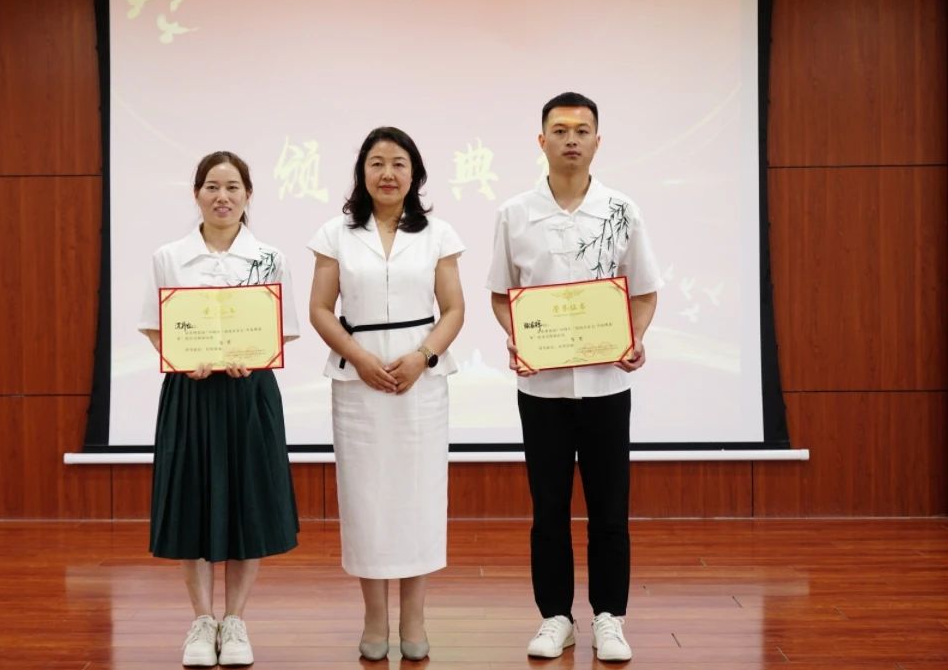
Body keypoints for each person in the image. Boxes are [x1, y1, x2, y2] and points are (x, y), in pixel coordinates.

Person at [486, 93, 662, 662]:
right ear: (541, 141)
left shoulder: (622, 210)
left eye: (582, 130)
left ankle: (610, 617)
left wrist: (634, 338)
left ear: (597, 141)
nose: (571, 139)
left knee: (610, 509)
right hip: (542, 389)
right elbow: (500, 294)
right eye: (559, 130)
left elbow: (644, 290)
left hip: (607, 386)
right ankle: (555, 617)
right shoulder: (514, 213)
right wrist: (517, 335)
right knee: (549, 509)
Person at [307, 127, 465, 662]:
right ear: (362, 173)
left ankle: (414, 619)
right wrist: (359, 357)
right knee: (366, 501)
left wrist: (423, 357)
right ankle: (374, 618)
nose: (388, 173)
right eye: (376, 163)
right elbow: (321, 309)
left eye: (399, 163)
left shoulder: (439, 233)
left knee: (418, 499)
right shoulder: (335, 233)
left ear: (414, 173)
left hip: (422, 382)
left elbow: (454, 310)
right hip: (359, 383)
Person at [138, 151, 301, 668]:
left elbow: (283, 330)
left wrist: (249, 356)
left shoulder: (270, 257)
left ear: (248, 195)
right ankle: (201, 620)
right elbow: (155, 325)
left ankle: (235, 621)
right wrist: (185, 359)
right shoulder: (169, 256)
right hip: (189, 394)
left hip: (250, 393)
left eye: (233, 187)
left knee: (247, 504)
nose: (222, 197)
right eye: (212, 187)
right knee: (191, 503)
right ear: (196, 194)